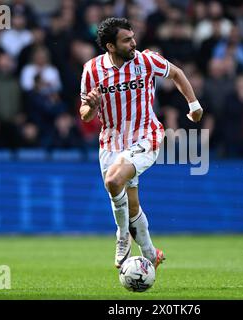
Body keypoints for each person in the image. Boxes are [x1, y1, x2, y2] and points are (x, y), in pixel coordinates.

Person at [79, 18, 203, 269]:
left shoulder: (146, 60)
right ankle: (150, 253)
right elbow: (85, 115)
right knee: (132, 206)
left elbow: (176, 73)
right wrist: (91, 106)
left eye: (133, 37)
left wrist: (194, 105)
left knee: (114, 180)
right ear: (110, 46)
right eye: (126, 40)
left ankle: (121, 235)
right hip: (111, 142)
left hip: (146, 136)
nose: (133, 43)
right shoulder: (92, 70)